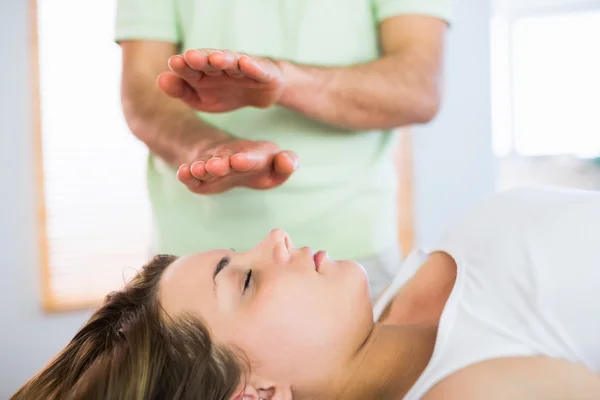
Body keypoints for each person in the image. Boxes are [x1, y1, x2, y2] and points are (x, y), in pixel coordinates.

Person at [12, 186, 600, 399]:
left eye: (237, 256)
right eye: (243, 279)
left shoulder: (396, 305)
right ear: (257, 394)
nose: (275, 238)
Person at [114, 0, 452, 300]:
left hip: (353, 256)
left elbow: (419, 87)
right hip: (193, 270)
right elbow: (144, 88)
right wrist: (206, 150)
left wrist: (283, 82)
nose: (278, 242)